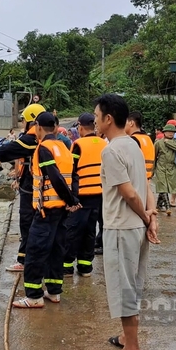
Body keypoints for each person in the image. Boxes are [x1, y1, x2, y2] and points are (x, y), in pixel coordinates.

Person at [94, 94, 159, 350]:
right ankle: (126, 336)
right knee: (133, 284)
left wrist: (146, 218)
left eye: (97, 117)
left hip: (122, 228)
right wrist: (151, 218)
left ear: (109, 119)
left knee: (124, 289)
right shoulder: (133, 144)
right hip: (136, 227)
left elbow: (130, 193)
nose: (95, 121)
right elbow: (146, 186)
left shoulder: (111, 150)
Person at [12, 112, 81, 308]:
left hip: (46, 210)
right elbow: (73, 176)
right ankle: (54, 292)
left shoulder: (44, 148)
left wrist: (70, 199)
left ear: (39, 128)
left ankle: (33, 296)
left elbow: (56, 177)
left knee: (35, 251)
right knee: (56, 250)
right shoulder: (64, 147)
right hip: (61, 211)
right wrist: (72, 200)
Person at [0, 104, 46, 272]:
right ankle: (36, 257)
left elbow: (9, 150)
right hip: (42, 187)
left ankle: (24, 260)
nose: (22, 122)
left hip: (31, 187)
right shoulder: (51, 138)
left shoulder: (31, 140)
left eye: (24, 119)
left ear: (32, 121)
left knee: (27, 223)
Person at [63, 113, 107, 277]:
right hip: (99, 195)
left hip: (80, 196)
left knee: (72, 231)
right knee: (90, 231)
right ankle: (85, 267)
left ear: (80, 127)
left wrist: (69, 198)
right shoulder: (104, 143)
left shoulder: (77, 145)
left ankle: (66, 267)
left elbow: (70, 170)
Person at [153, 125, 176, 212]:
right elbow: (154, 157)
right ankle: (167, 208)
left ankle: (158, 206)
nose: (171, 134)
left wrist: (169, 143)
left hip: (171, 167)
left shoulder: (175, 142)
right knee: (163, 186)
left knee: (166, 187)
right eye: (169, 132)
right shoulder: (158, 143)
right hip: (161, 166)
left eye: (173, 132)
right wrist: (152, 170)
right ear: (164, 132)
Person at [125, 111, 156, 182]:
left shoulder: (133, 140)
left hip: (136, 179)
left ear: (131, 123)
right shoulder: (148, 138)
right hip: (147, 179)